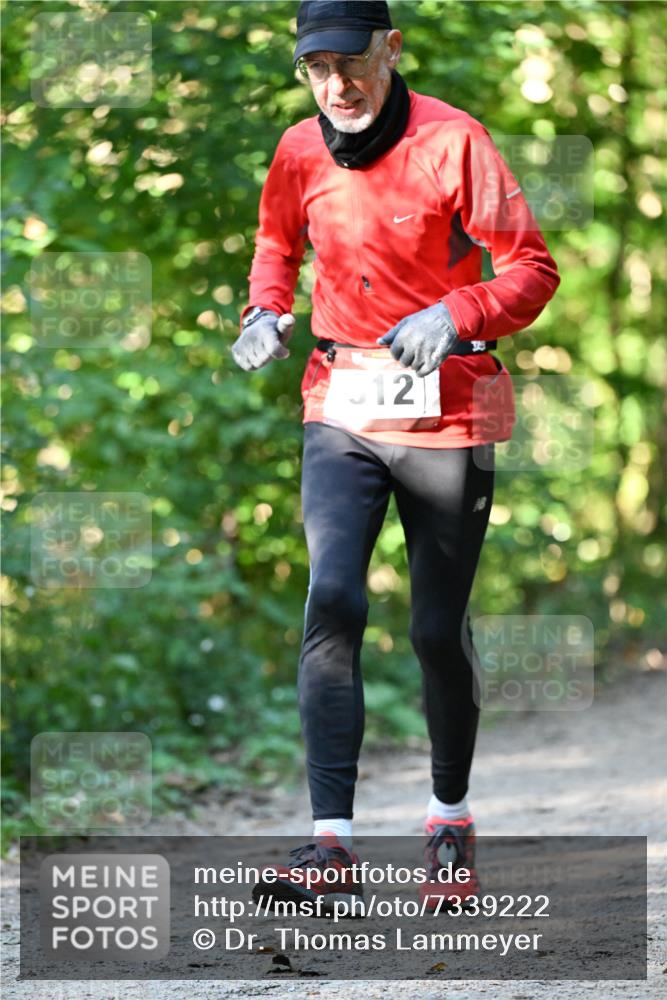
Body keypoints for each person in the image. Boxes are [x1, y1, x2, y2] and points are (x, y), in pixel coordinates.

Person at [232, 0, 560, 912]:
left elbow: (530, 269)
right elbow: (276, 242)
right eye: (314, 69)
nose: (335, 85)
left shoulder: (455, 142)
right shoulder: (299, 149)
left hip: (446, 416)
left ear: (390, 48)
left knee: (431, 630)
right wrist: (266, 309)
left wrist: (453, 315)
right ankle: (329, 846)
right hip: (339, 407)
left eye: (351, 62)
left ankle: (447, 822)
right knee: (330, 601)